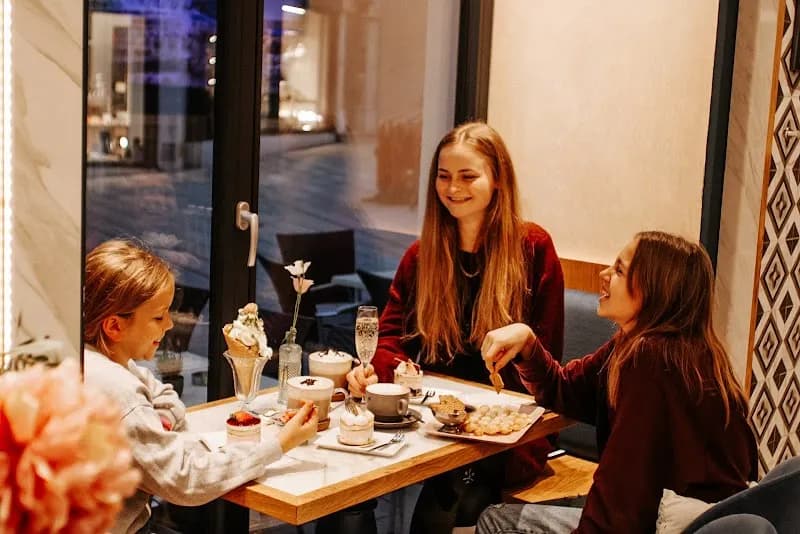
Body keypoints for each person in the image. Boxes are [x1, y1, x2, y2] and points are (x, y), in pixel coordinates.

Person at [345, 121, 565, 533]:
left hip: (506, 427)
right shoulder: (422, 255)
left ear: (497, 179)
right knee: (348, 493)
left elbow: (548, 355)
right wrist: (387, 368)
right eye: (444, 177)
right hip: (428, 418)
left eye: (468, 176)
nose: (453, 188)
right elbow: (391, 338)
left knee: (450, 508)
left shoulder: (533, 249)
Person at [476, 231, 757, 534]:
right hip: (676, 516)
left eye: (619, 270)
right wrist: (528, 344)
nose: (604, 274)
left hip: (670, 524)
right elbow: (565, 390)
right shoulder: (666, 347)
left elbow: (625, 488)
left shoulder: (652, 359)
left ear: (653, 290)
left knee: (495, 521)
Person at [83, 239, 319, 534]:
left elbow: (163, 395)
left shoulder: (90, 359)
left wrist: (157, 421)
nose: (169, 324)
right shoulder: (118, 391)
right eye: (158, 317)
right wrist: (281, 443)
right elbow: (186, 479)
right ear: (114, 326)